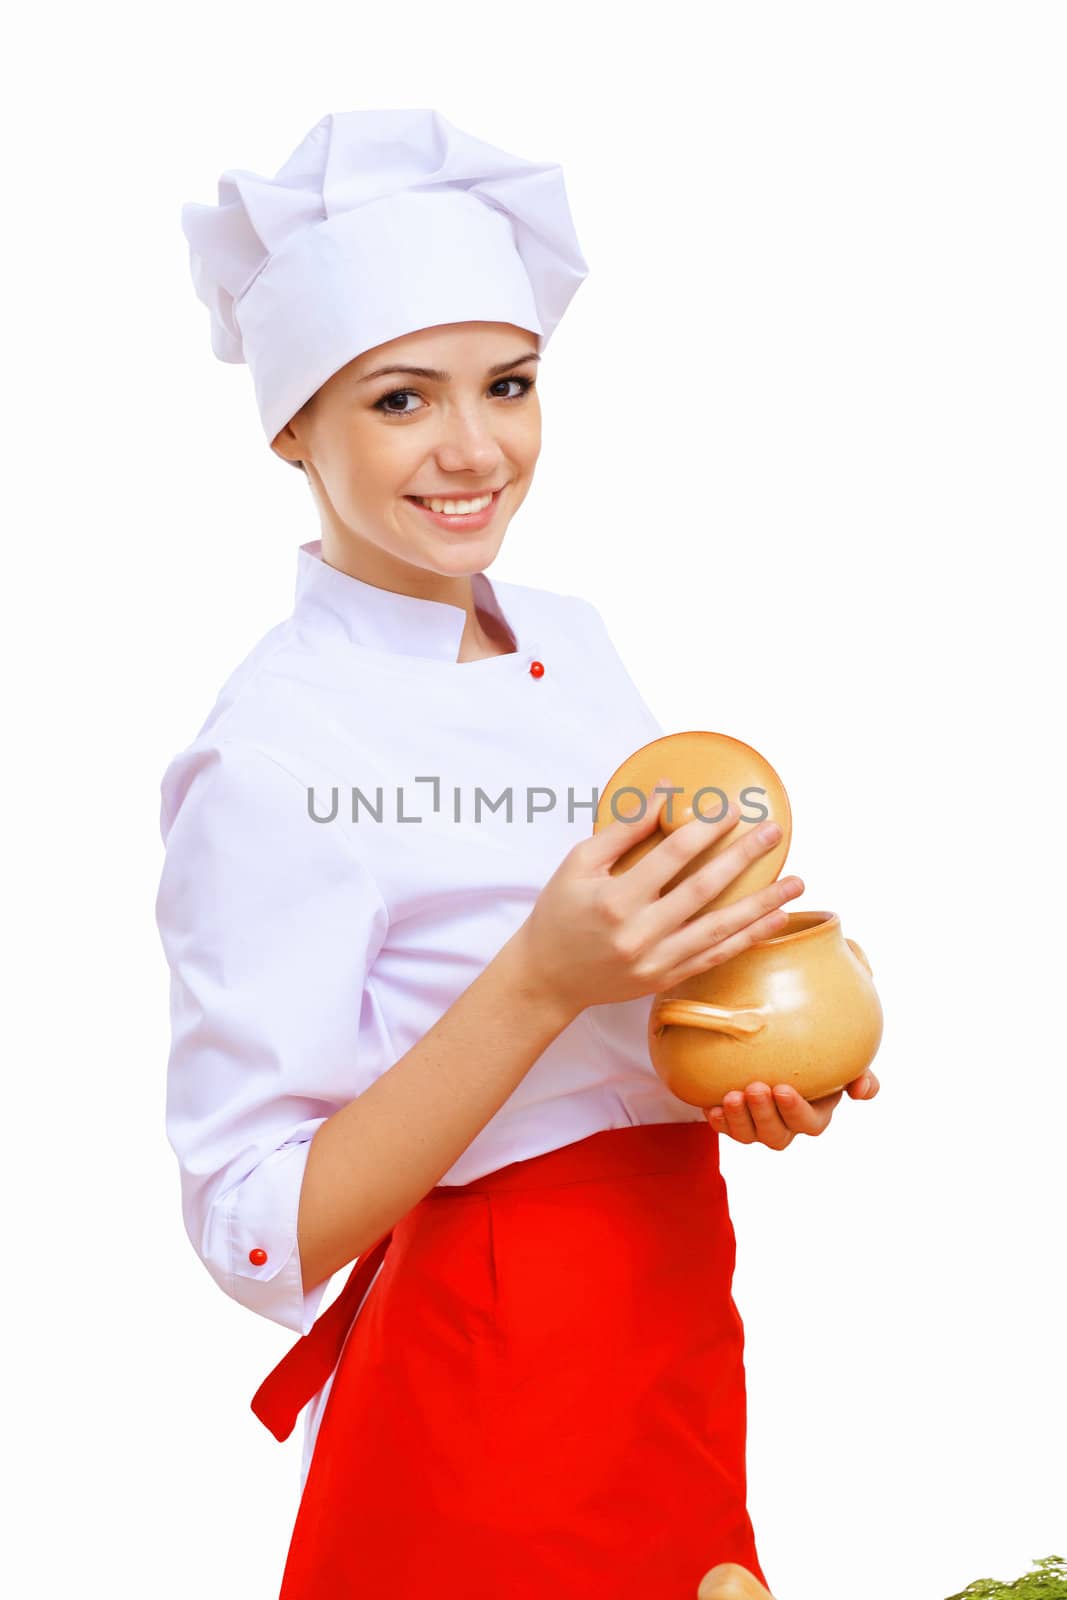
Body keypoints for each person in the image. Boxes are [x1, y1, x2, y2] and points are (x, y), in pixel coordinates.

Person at [156, 108, 878, 1600]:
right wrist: (544, 980)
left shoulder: (574, 637)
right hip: (489, 1361)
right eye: (402, 400)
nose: (474, 449)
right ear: (293, 424)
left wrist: (733, 1042)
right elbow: (253, 1234)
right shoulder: (274, 751)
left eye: (510, 384)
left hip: (671, 1306)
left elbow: (623, 1020)